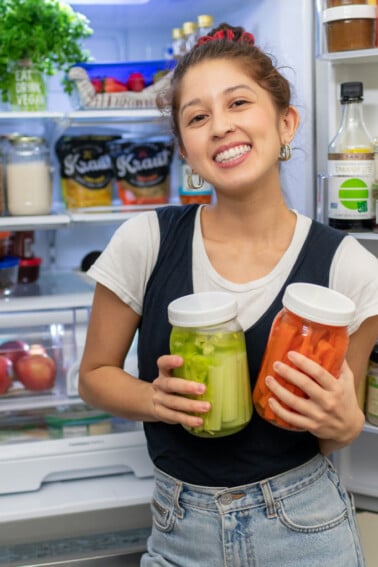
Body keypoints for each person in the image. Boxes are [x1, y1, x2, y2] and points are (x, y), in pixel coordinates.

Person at [79, 23, 378, 567]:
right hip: (179, 529)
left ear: (286, 121)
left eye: (238, 102)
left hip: (306, 526)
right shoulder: (147, 240)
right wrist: (155, 400)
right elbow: (94, 376)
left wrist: (345, 423)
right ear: (186, 153)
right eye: (197, 117)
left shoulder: (350, 267)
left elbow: (337, 428)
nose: (220, 126)